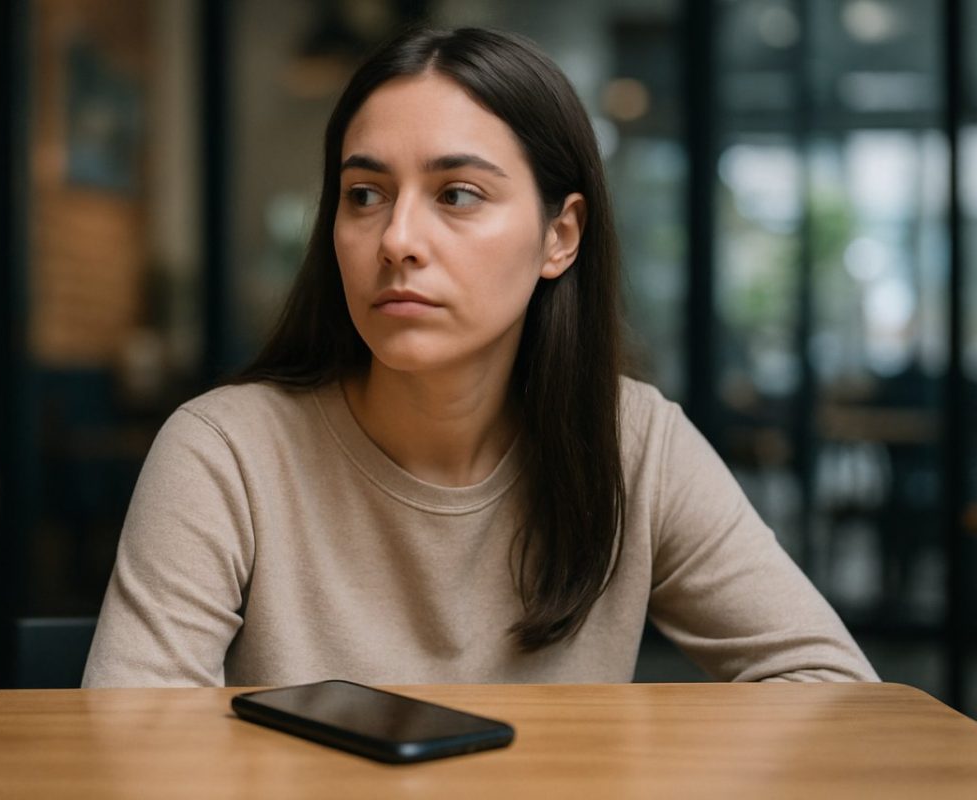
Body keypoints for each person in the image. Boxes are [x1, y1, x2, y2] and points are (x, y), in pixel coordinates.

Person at [83, 26, 876, 687]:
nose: (396, 240)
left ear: (559, 236)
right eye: (365, 195)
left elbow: (833, 690)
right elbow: (133, 746)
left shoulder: (636, 444)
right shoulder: (227, 451)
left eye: (457, 194)